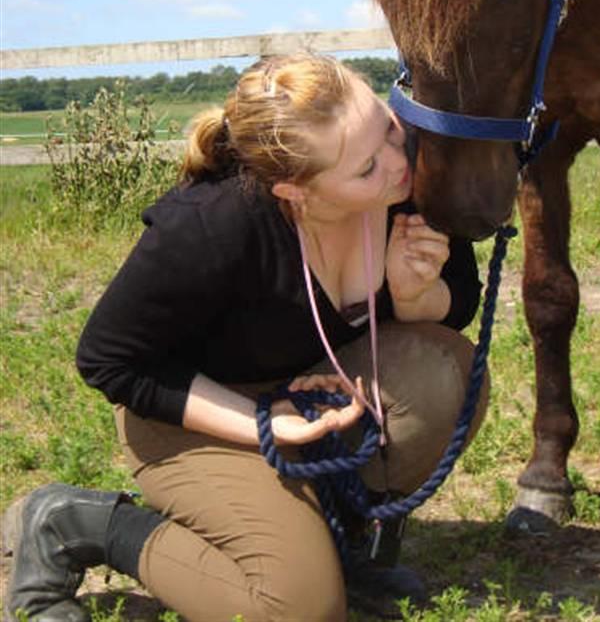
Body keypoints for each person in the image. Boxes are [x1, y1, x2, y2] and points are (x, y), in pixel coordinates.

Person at [4, 53, 489, 622]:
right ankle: (82, 523)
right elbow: (111, 362)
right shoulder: (212, 226)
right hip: (191, 416)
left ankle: (340, 538)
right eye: (364, 170)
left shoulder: (404, 179)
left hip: (306, 394)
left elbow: (459, 297)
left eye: (385, 126)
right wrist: (262, 419)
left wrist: (412, 296)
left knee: (447, 373)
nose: (396, 163)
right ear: (296, 194)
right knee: (296, 611)